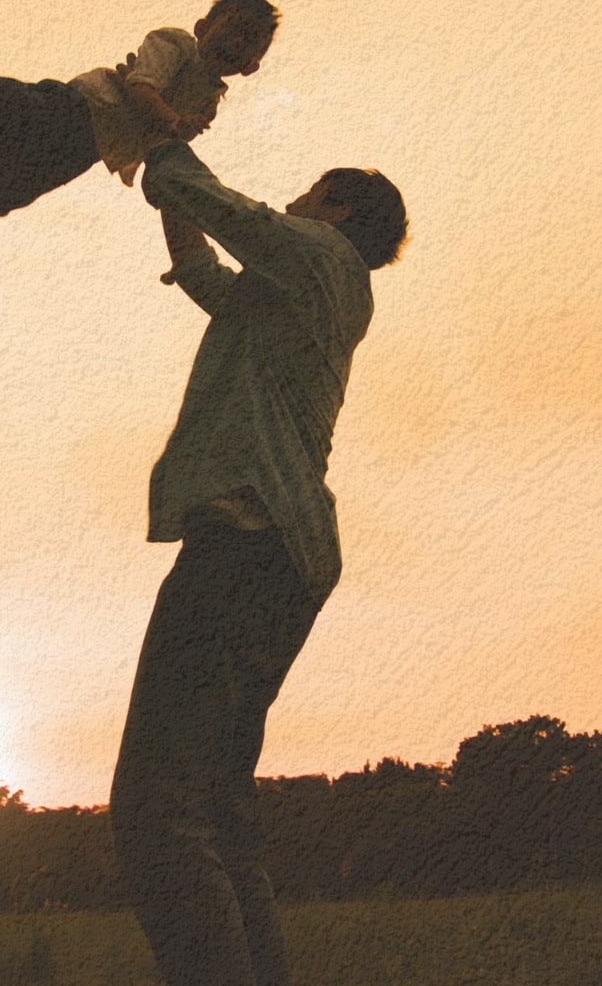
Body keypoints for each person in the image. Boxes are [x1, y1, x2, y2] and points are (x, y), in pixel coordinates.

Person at [111, 138, 407, 986]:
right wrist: (172, 201)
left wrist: (161, 129)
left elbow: (223, 207)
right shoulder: (302, 288)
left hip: (248, 538)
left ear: (339, 209)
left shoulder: (318, 252)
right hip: (284, 553)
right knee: (214, 808)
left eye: (309, 191)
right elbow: (208, 273)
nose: (294, 201)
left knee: (156, 811)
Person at [0, 0, 280, 216]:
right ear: (204, 26)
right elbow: (142, 88)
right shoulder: (176, 43)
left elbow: (164, 145)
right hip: (70, 112)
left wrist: (171, 170)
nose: (239, 41)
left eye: (252, 42)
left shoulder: (212, 99)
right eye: (235, 27)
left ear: (252, 66)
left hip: (84, 152)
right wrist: (172, 121)